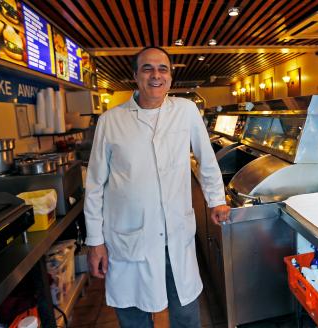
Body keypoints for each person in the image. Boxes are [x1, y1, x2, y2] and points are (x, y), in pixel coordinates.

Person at [84, 46, 230, 328]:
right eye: (147, 68)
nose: (156, 75)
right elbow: (94, 186)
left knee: (186, 314)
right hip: (129, 235)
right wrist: (95, 241)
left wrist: (216, 199)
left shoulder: (185, 111)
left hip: (175, 234)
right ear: (135, 76)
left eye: (163, 69)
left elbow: (206, 158)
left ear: (171, 77)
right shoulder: (110, 121)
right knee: (133, 315)